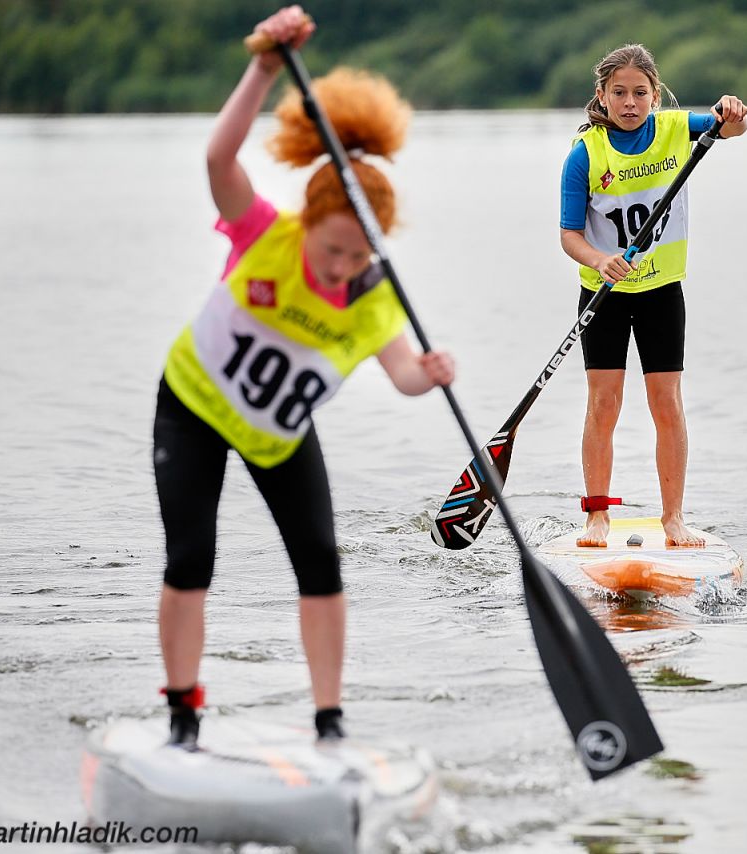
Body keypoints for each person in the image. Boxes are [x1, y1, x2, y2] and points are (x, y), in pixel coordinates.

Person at [153, 5, 454, 748]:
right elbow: (218, 162)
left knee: (320, 561)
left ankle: (329, 720)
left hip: (278, 436)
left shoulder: (372, 294)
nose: (342, 266)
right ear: (309, 220)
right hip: (191, 406)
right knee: (192, 558)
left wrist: (431, 372)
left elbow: (402, 378)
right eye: (334, 249)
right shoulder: (265, 232)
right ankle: (184, 713)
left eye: (359, 254)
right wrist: (261, 67)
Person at [559, 44, 747, 548]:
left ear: (655, 94)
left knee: (666, 403)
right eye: (618, 92)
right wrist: (600, 260)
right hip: (606, 294)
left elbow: (731, 128)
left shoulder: (674, 128)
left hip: (662, 291)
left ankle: (673, 519)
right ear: (601, 95)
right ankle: (597, 517)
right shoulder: (585, 155)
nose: (629, 102)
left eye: (640, 92)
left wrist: (730, 112)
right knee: (604, 403)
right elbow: (569, 235)